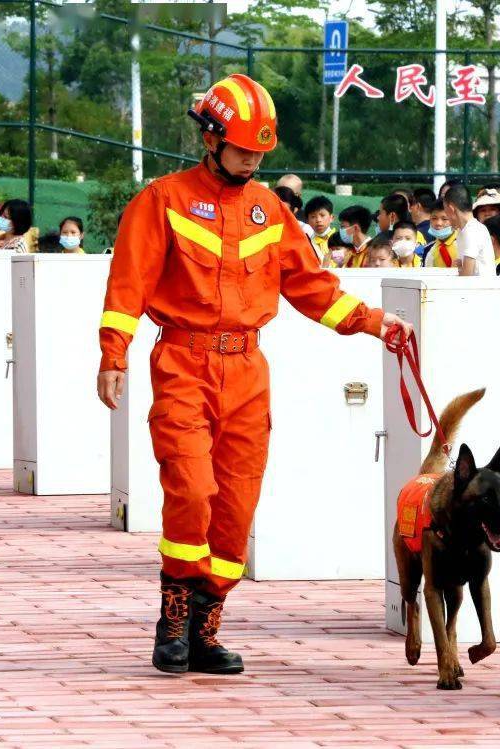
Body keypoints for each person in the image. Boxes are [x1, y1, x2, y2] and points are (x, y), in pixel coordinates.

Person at [96, 73, 411, 675]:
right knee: (190, 492)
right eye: (242, 150)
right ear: (211, 138)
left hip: (247, 370)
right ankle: (173, 624)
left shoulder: (270, 211)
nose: (251, 161)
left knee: (236, 507)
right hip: (182, 362)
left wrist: (376, 323)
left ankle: (206, 629)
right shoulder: (162, 200)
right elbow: (127, 284)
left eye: (260, 153)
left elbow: (313, 288)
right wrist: (114, 355)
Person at [443, 183, 495, 276]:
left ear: (451, 209)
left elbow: (467, 276)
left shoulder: (472, 231)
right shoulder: (463, 231)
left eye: (446, 212)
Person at [422, 199, 458, 268]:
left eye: (444, 219)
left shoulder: (463, 243)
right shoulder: (428, 249)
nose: (438, 223)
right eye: (434, 218)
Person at [304, 196, 335, 263]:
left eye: (322, 215)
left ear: (331, 218)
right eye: (313, 217)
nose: (318, 220)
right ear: (307, 221)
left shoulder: (341, 240)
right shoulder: (306, 243)